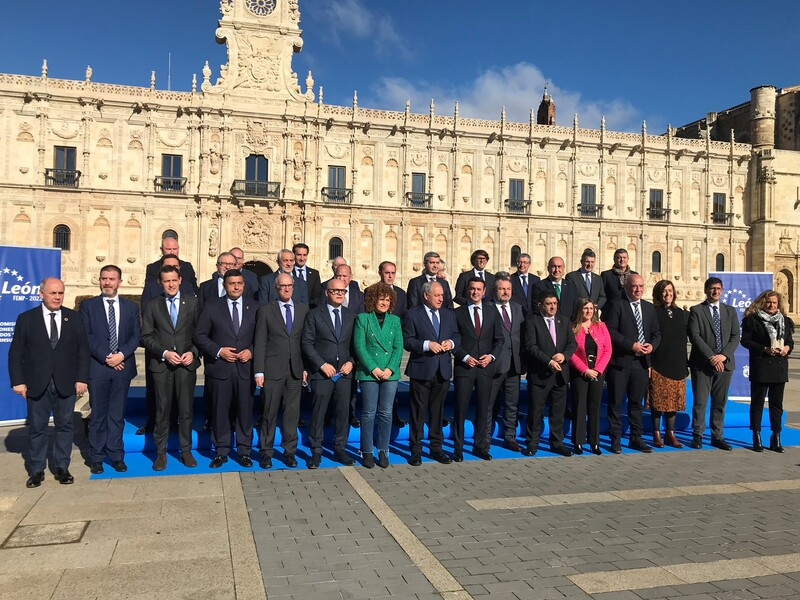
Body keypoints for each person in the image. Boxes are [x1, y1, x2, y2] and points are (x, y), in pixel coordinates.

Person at [9, 278, 89, 488]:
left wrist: (82, 378)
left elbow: (83, 350)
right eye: (53, 293)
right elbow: (16, 353)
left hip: (66, 383)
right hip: (37, 383)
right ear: (41, 294)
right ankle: (36, 470)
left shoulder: (74, 318)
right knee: (37, 428)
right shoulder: (26, 319)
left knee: (65, 426)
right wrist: (18, 381)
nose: (57, 297)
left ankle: (62, 467)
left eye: (60, 293)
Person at [194, 269, 257, 468]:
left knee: (245, 412)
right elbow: (200, 336)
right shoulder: (212, 307)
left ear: (244, 285)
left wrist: (251, 351)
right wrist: (219, 351)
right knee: (220, 411)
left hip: (245, 369)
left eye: (239, 283)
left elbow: (263, 337)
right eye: (232, 283)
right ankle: (221, 451)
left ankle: (244, 451)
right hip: (220, 368)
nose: (236, 287)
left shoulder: (255, 307)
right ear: (224, 285)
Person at [140, 265, 201, 470]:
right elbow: (146, 336)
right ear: (160, 283)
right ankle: (160, 454)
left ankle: (186, 451)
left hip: (186, 365)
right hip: (162, 365)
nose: (171, 284)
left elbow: (199, 334)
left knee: (185, 411)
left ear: (180, 280)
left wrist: (192, 352)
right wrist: (164, 353)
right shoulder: (152, 305)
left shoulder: (192, 303)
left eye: (174, 280)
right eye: (167, 281)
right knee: (162, 410)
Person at [80, 265, 140, 474]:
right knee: (98, 415)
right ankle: (96, 457)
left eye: (112, 279)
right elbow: (87, 336)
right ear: (99, 280)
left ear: (119, 282)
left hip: (122, 367)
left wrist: (121, 355)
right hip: (98, 368)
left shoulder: (131, 307)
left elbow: (136, 335)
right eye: (104, 278)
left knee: (117, 415)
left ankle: (116, 455)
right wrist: (107, 357)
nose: (107, 282)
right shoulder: (88, 306)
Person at [253, 273, 309, 469]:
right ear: (276, 288)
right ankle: (266, 452)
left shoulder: (303, 310)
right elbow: (259, 342)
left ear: (293, 287)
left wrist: (305, 368)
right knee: (269, 412)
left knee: (292, 413)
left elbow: (305, 342)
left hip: (295, 370)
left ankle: (289, 451)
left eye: (289, 286)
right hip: (272, 370)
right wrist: (259, 371)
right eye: (282, 286)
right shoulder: (266, 310)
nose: (286, 289)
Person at [301, 277, 357, 468]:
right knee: (318, 413)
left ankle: (339, 448)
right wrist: (321, 364)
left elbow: (356, 345)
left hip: (344, 374)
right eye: (335, 291)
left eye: (343, 291)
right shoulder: (315, 315)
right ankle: (316, 451)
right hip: (322, 373)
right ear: (327, 293)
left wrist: (352, 362)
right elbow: (307, 343)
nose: (340, 294)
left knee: (342, 413)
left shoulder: (351, 315)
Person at [602, 274, 661, 454]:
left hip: (641, 363)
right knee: (616, 403)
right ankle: (615, 439)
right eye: (635, 286)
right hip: (620, 362)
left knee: (636, 403)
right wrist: (631, 345)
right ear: (627, 287)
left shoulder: (649, 308)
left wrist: (652, 346)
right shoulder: (616, 305)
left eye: (641, 286)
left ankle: (636, 437)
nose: (638, 290)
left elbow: (657, 333)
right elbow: (610, 332)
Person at [403, 281, 460, 466]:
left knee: (438, 411)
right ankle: (416, 450)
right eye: (437, 295)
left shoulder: (449, 314)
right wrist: (427, 344)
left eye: (442, 295)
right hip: (421, 369)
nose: (441, 299)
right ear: (426, 296)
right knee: (417, 412)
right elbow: (408, 341)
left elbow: (457, 336)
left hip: (442, 370)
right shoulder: (413, 314)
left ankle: (437, 448)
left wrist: (450, 344)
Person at [453, 277, 504, 461]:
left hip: (485, 368)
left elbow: (499, 339)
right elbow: (454, 340)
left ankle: (480, 446)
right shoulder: (457, 313)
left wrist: (491, 356)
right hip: (464, 368)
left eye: (478, 289)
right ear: (468, 291)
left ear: (484, 292)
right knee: (460, 409)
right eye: (472, 289)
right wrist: (465, 357)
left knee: (484, 409)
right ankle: (458, 449)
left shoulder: (492, 312)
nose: (475, 292)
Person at [352, 283, 404, 468]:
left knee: (386, 412)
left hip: (390, 373)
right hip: (369, 372)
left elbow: (398, 347)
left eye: (387, 300)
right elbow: (359, 346)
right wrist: (373, 368)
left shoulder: (395, 320)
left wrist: (390, 368)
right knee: (368, 413)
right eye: (381, 299)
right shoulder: (362, 319)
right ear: (373, 300)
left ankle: (383, 450)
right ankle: (366, 451)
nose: (384, 303)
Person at [687, 277, 740, 450]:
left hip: (724, 364)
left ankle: (717, 435)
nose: (715, 291)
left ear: (722, 290)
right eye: (712, 288)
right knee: (700, 401)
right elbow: (695, 336)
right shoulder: (696, 310)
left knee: (719, 402)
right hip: (703, 364)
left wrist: (723, 356)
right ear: (706, 290)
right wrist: (712, 357)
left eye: (718, 288)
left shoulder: (730, 311)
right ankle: (698, 434)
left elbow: (735, 336)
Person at [523, 290, 577, 456]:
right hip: (540, 374)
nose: (552, 306)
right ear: (540, 305)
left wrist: (564, 356)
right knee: (535, 411)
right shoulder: (532, 322)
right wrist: (549, 361)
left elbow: (571, 344)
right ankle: (532, 443)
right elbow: (531, 347)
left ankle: (557, 442)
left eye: (554, 303)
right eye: (548, 304)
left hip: (560, 375)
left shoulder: (564, 320)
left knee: (558, 411)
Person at [741, 290, 793, 453]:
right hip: (761, 365)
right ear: (763, 302)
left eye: (774, 303)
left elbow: (790, 341)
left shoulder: (785, 321)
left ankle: (775, 436)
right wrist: (764, 349)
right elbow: (745, 341)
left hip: (779, 367)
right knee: (757, 403)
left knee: (776, 404)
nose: (771, 305)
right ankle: (756, 436)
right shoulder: (752, 320)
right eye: (769, 302)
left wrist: (786, 348)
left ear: (779, 304)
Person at [646, 280, 689, 449]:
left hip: (677, 362)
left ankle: (670, 433)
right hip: (659, 362)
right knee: (658, 401)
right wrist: (648, 363)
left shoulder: (681, 314)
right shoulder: (653, 312)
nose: (667, 294)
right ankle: (656, 434)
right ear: (658, 294)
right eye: (664, 291)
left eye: (670, 291)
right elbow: (649, 338)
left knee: (673, 402)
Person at [569, 298, 612, 455]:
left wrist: (599, 369)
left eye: (591, 308)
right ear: (580, 310)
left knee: (595, 406)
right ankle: (578, 441)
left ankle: (594, 442)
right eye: (585, 308)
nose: (588, 311)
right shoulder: (573, 327)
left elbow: (608, 350)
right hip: (580, 372)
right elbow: (571, 352)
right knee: (579, 407)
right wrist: (584, 369)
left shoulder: (601, 326)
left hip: (597, 372)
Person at [487, 274, 525, 452]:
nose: (505, 292)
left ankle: (510, 436)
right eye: (502, 288)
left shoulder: (518, 308)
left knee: (512, 403)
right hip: (494, 364)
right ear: (495, 290)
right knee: (489, 403)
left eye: (508, 289)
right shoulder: (488, 308)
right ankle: (485, 438)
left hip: (514, 364)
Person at [377, 260, 408, 427]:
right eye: (387, 272)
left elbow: (404, 317)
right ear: (380, 273)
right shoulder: (370, 291)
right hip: (376, 344)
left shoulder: (401, 294)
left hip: (394, 344)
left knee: (392, 382)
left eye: (392, 273)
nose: (390, 276)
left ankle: (393, 415)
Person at [293, 243, 321, 308]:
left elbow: (317, 295)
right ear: (294, 255)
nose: (302, 258)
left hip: (309, 310)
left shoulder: (314, 274)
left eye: (304, 255)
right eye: (299, 255)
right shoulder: (288, 273)